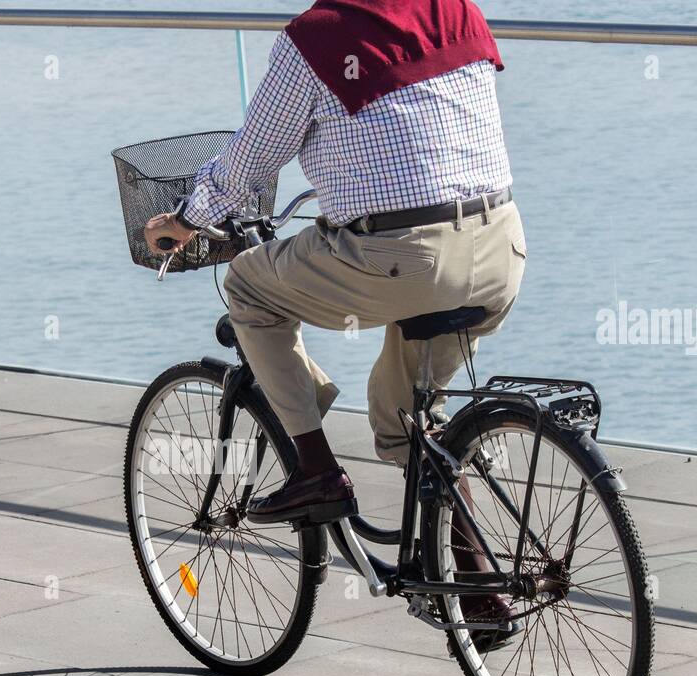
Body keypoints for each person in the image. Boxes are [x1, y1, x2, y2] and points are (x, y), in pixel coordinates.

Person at [145, 0, 526, 527]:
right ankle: (479, 585)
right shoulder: (456, 8)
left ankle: (316, 470)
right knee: (407, 426)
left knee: (250, 285)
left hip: (406, 257)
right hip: (500, 249)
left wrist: (185, 220)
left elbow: (248, 163)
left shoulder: (315, 38)